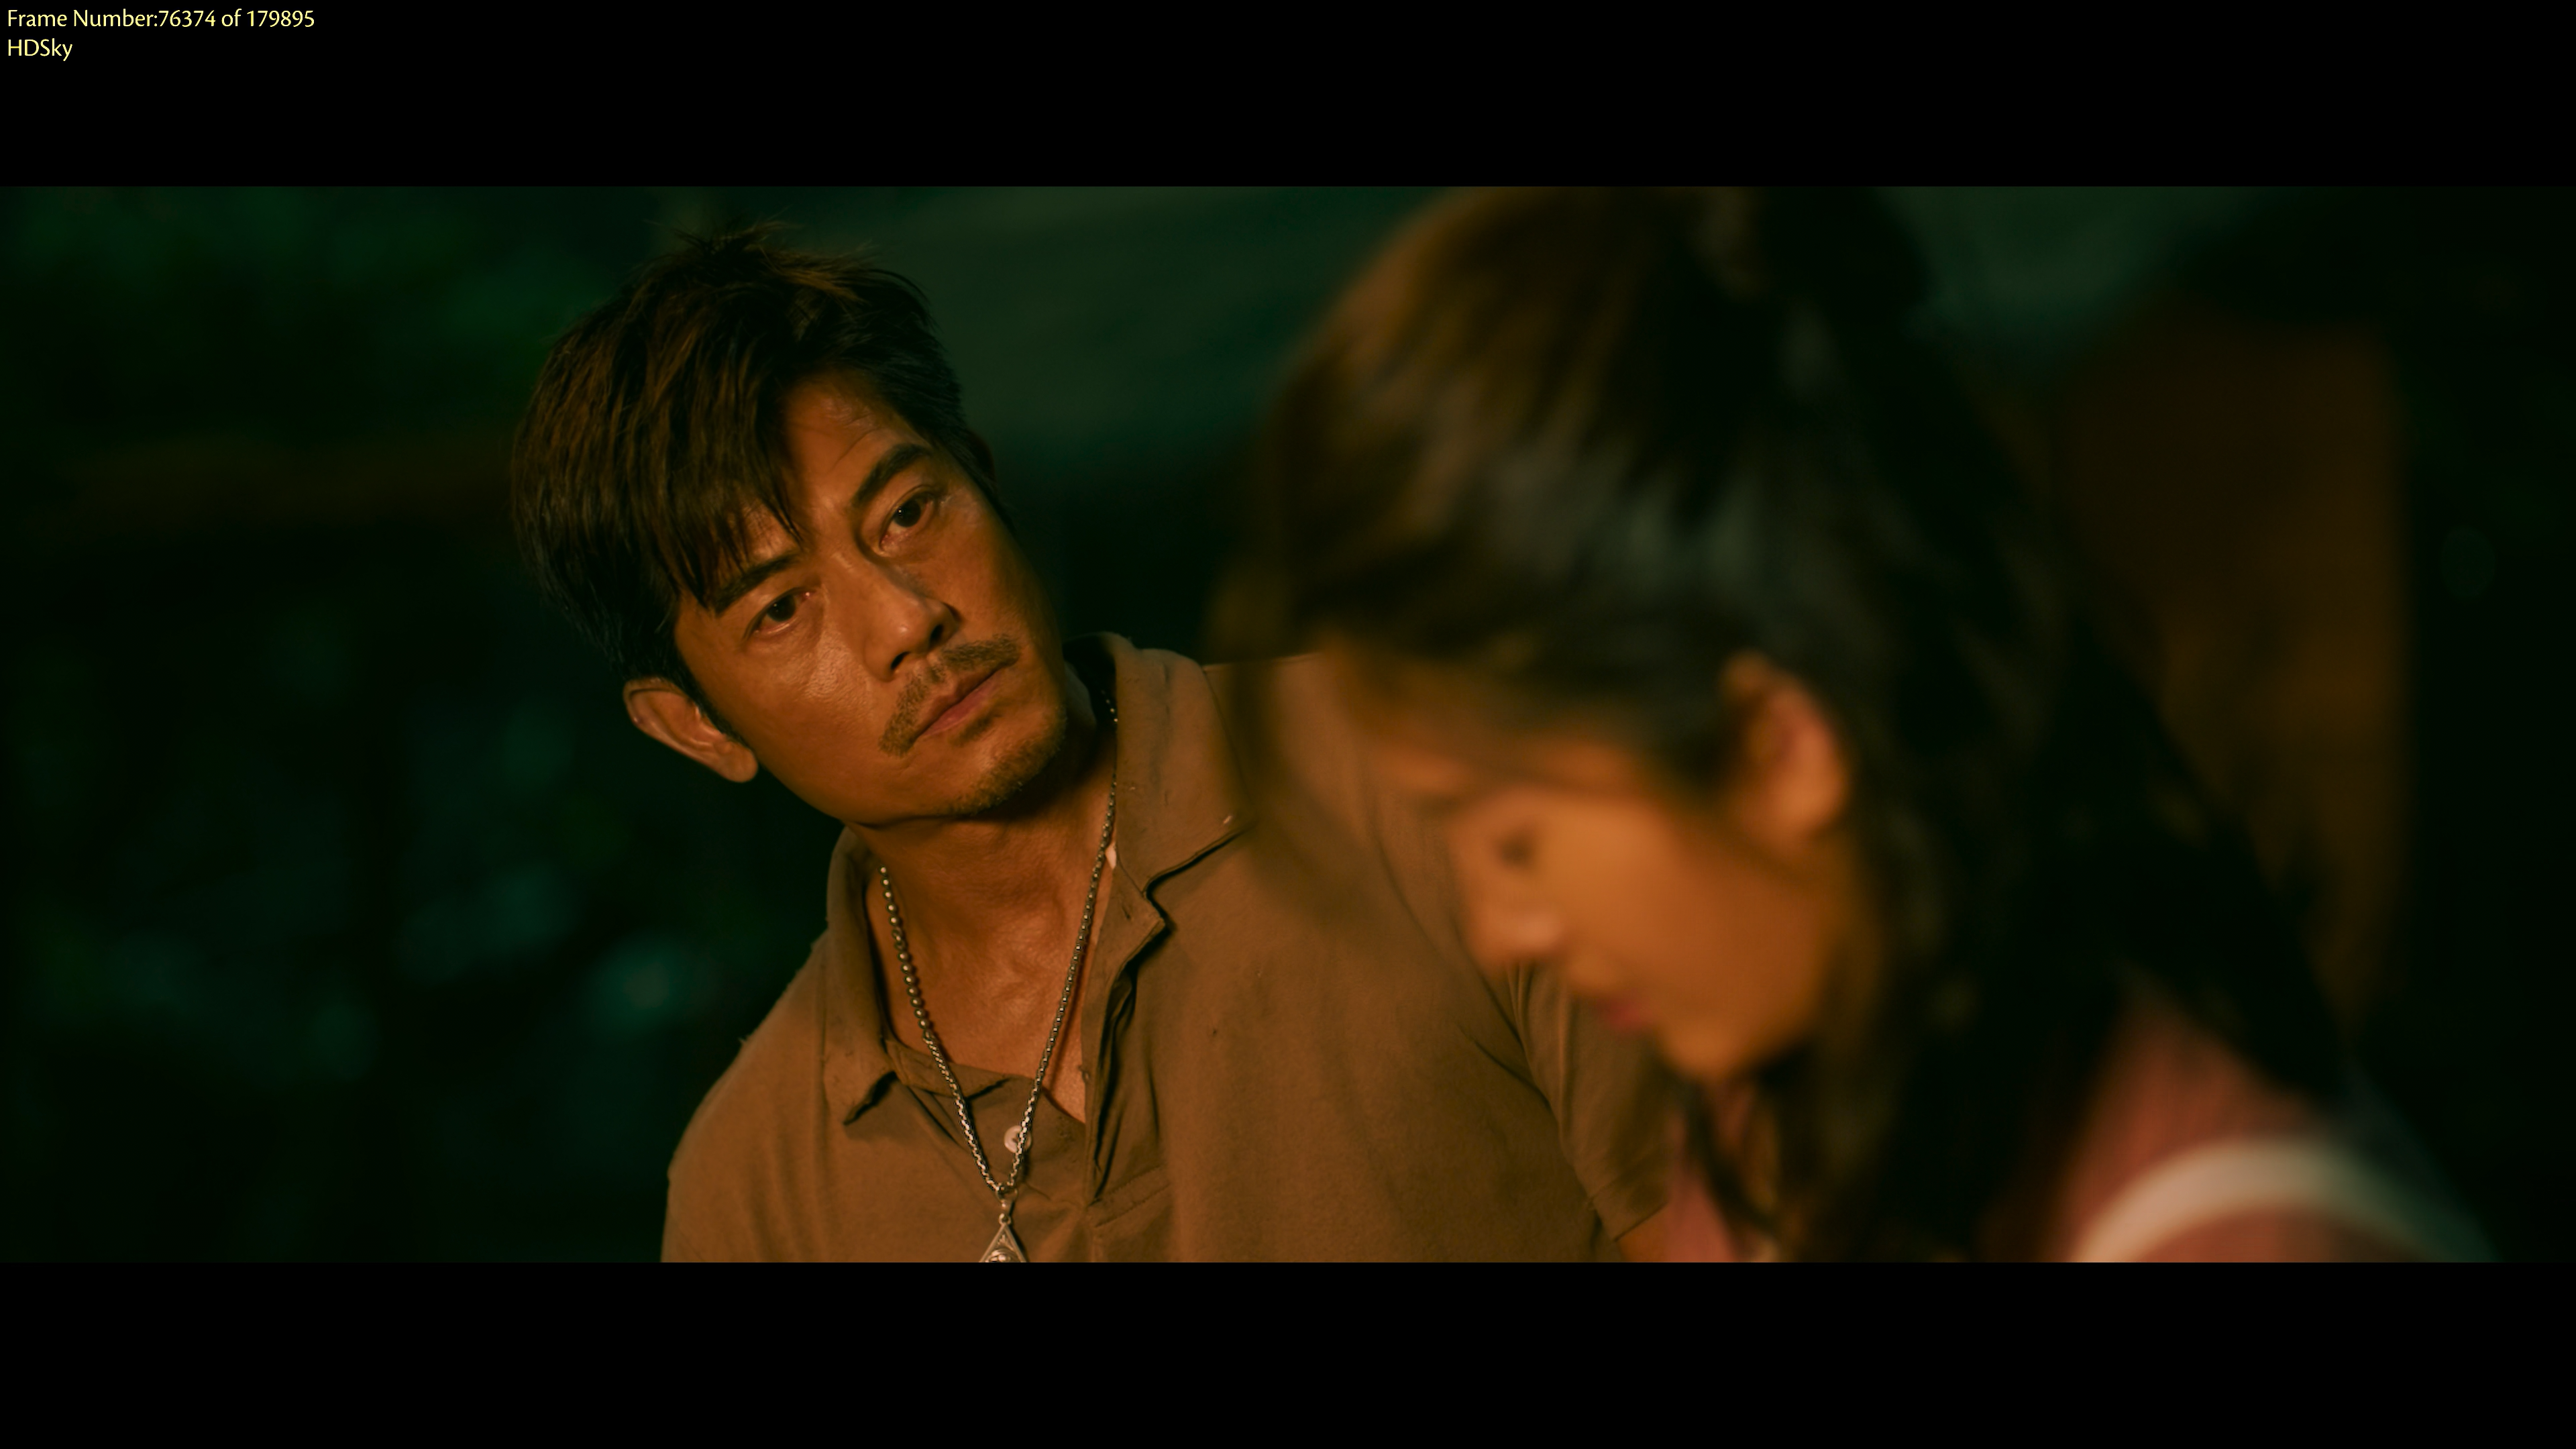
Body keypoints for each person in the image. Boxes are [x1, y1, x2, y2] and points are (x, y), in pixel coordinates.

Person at [1224, 187, 2487, 1260]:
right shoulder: (1786, 1113)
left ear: (1781, 744)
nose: (1501, 925)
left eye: (1513, 838)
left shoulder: (2246, 1239)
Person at [509, 228, 1667, 1260]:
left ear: (984, 477)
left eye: (907, 514)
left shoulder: (1440, 774)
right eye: (781, 609)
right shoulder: (755, 1191)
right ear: (696, 725)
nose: (908, 620)